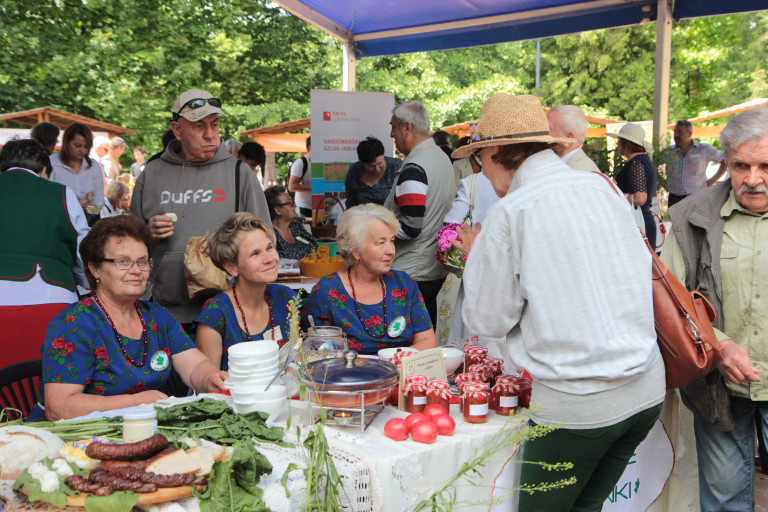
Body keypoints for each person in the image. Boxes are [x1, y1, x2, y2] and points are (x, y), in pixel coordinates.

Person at [454, 94, 664, 512]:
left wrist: (477, 256)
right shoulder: (600, 186)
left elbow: (487, 319)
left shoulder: (511, 211)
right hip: (645, 388)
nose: (480, 171)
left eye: (480, 160)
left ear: (495, 152)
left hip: (580, 404)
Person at [660, 105, 768, 512]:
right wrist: (719, 345)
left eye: (765, 166)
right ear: (725, 162)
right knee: (725, 500)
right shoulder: (692, 217)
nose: (752, 180)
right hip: (718, 387)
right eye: (740, 165)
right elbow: (669, 298)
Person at [40, 215, 228, 421]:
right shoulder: (73, 325)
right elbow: (59, 407)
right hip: (81, 441)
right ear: (95, 269)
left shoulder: (156, 316)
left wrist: (210, 378)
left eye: (143, 261)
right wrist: (136, 402)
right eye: (123, 262)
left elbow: (194, 365)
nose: (136, 270)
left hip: (143, 430)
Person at [130, 88, 271, 327]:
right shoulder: (153, 173)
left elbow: (266, 237)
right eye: (198, 126)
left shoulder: (238, 173)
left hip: (227, 311)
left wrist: (224, 243)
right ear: (177, 130)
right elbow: (127, 242)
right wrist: (146, 231)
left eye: (214, 125)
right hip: (163, 312)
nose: (210, 135)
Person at [0, 139, 89, 369]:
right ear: (43, 170)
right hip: (51, 299)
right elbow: (83, 251)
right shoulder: (61, 193)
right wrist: (86, 284)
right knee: (51, 384)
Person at [306, 204, 436, 355]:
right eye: (381, 243)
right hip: (350, 375)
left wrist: (390, 362)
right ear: (355, 251)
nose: (391, 251)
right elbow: (319, 353)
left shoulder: (404, 284)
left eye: (392, 241)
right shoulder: (326, 292)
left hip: (401, 371)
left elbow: (427, 341)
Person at [194, 213, 300, 370]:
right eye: (255, 253)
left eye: (269, 248)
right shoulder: (215, 314)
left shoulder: (286, 298)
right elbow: (210, 386)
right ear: (232, 267)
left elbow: (296, 360)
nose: (269, 258)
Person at [384, 100, 454, 326]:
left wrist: (375, 239)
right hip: (431, 266)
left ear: (407, 128)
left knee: (407, 340)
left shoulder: (415, 166)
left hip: (411, 270)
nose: (392, 134)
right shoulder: (440, 157)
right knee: (423, 336)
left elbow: (411, 226)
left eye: (394, 127)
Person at [608, 123, 658, 249]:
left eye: (619, 140)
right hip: (641, 220)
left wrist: (613, 193)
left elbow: (639, 198)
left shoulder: (637, 163)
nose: (617, 144)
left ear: (626, 142)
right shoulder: (641, 161)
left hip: (639, 222)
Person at [662, 119, 727, 208]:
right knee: (676, 222)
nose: (676, 135)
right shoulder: (668, 152)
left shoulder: (704, 149)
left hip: (697, 198)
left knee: (696, 222)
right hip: (675, 198)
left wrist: (713, 180)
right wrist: (662, 182)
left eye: (679, 132)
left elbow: (725, 161)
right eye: (675, 132)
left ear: (689, 134)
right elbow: (653, 165)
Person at [50, 123, 105, 220]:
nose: (82, 150)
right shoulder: (53, 163)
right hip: (59, 219)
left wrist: (89, 212)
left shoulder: (93, 165)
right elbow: (48, 198)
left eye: (86, 147)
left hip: (90, 220)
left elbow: (99, 200)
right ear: (66, 143)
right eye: (77, 146)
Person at [344, 136, 401, 208]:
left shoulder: (397, 167)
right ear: (361, 162)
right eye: (371, 166)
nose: (377, 169)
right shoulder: (354, 172)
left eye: (380, 163)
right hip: (363, 216)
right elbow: (351, 204)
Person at [264, 185, 318, 260]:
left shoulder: (295, 226)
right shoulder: (270, 235)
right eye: (290, 203)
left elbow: (315, 246)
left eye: (293, 202)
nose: (294, 205)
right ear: (277, 210)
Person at [546, 104, 601, 172]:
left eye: (549, 129)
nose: (542, 136)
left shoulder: (578, 172)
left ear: (568, 138)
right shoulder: (572, 166)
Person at [288, 136, 312, 217]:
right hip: (304, 207)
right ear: (310, 147)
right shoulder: (301, 163)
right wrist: (314, 187)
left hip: (320, 207)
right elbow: (291, 186)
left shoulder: (321, 162)